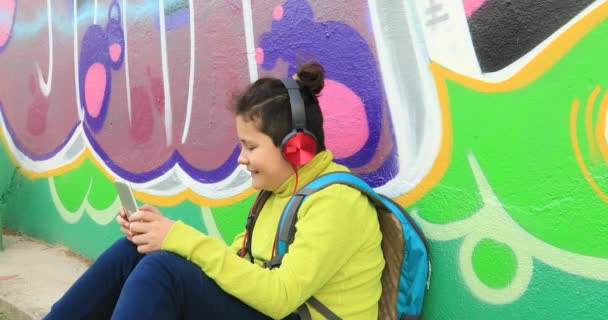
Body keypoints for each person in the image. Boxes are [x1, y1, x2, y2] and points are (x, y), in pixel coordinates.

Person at [43, 62, 384, 320]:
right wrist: (164, 233)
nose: (242, 159)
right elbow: (237, 264)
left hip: (284, 310)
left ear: (296, 147)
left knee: (163, 271)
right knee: (134, 251)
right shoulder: (280, 191)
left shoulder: (337, 202)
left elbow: (281, 295)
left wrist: (181, 239)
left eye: (250, 147)